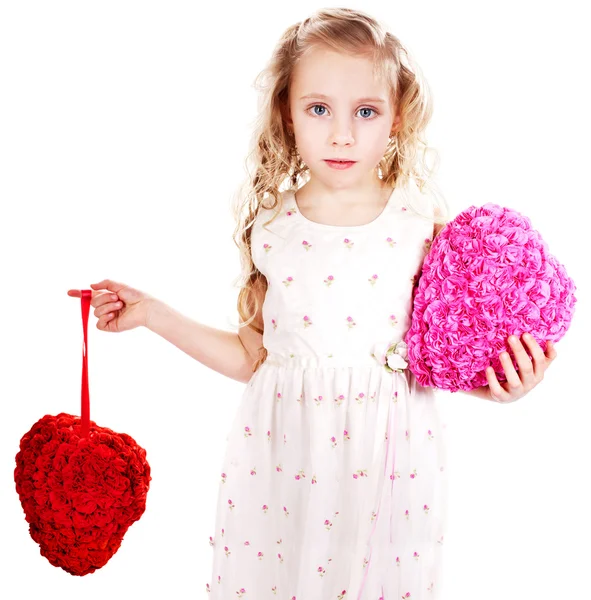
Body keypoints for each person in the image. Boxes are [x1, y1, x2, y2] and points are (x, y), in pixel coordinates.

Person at [67, 7, 557, 599]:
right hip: (283, 459)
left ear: (397, 118)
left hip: (389, 464)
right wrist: (153, 314)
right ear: (287, 113)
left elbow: (438, 357)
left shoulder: (421, 227)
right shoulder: (272, 227)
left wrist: (501, 385)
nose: (342, 134)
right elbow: (256, 357)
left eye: (366, 112)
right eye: (319, 108)